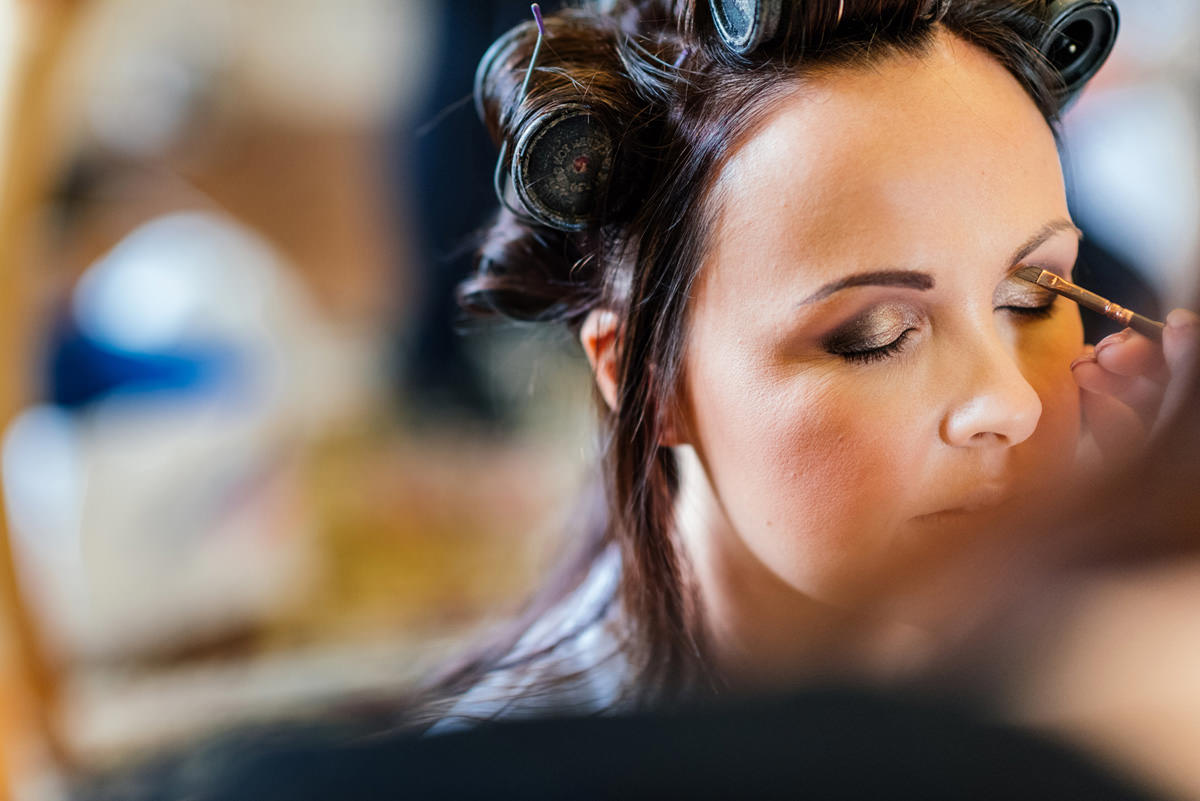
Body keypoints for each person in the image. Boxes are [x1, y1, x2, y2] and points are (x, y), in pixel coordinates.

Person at [426, 0, 1200, 732]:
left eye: (1034, 296)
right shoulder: (518, 766)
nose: (1010, 402)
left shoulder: (1102, 676)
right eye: (876, 334)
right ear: (642, 377)